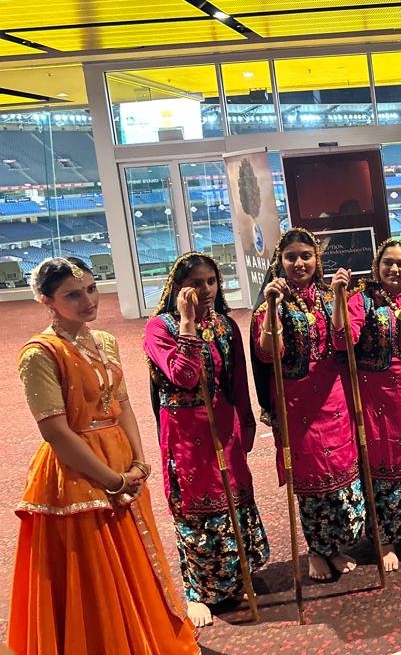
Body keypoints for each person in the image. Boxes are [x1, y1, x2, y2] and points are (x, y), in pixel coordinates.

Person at [7, 257, 197, 655]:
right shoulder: (40, 353)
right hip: (79, 469)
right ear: (46, 300)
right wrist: (113, 480)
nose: (88, 300)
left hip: (121, 459)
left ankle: (143, 636)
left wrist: (138, 462)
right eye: (72, 295)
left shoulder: (106, 342)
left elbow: (122, 404)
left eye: (91, 289)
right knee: (95, 564)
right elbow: (55, 431)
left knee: (134, 555)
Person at [145, 252, 269, 628]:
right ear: (177, 287)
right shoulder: (160, 328)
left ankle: (237, 577)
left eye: (211, 281)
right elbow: (183, 376)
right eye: (195, 283)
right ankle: (198, 590)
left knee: (234, 499)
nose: (206, 289)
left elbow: (237, 380)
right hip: (187, 434)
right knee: (197, 507)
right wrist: (187, 324)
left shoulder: (225, 325)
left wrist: (246, 423)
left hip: (225, 427)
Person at [250, 228, 365, 581]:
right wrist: (272, 307)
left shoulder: (329, 296)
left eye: (305, 256)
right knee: (311, 480)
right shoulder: (272, 304)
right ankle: (316, 550)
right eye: (291, 257)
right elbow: (269, 352)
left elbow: (343, 340)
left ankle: (336, 546)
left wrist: (340, 296)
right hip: (297, 404)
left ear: (317, 259)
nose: (299, 263)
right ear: (279, 262)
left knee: (341, 476)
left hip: (334, 397)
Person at [332, 239, 401, 572]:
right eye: (388, 263)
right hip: (376, 395)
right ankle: (386, 538)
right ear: (377, 266)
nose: (394, 269)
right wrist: (338, 298)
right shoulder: (361, 300)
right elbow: (343, 340)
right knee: (384, 460)